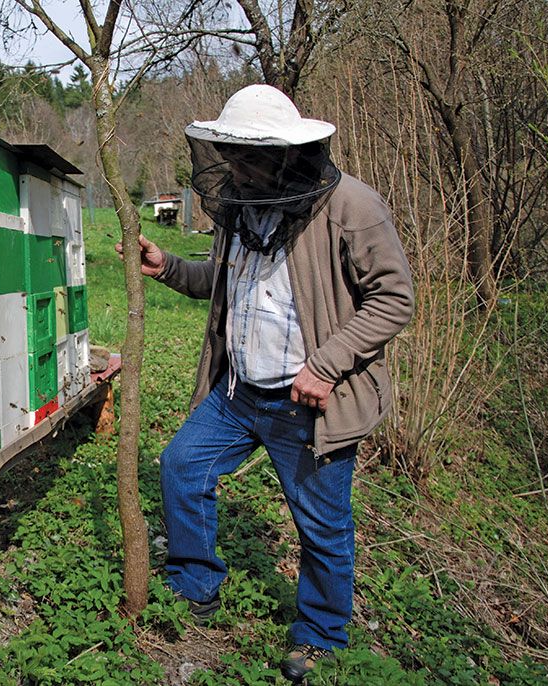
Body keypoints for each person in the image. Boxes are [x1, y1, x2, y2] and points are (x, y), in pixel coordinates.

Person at [116, 85, 414, 683]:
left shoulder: (352, 206)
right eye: (231, 155)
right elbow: (223, 284)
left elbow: (394, 298)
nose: (238, 167)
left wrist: (327, 365)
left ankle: (323, 633)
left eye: (250, 156)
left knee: (323, 524)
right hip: (239, 393)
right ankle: (196, 583)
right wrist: (168, 266)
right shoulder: (240, 206)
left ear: (287, 152)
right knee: (180, 464)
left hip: (308, 405)